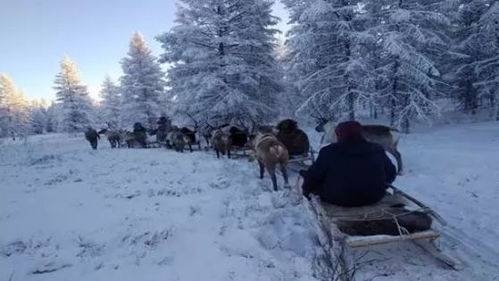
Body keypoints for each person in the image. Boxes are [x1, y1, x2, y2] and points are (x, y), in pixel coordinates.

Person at [301, 121, 396, 207]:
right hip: (374, 197)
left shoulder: (328, 152)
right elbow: (391, 172)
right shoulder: (376, 149)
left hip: (337, 199)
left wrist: (306, 190)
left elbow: (313, 177)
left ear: (339, 135)